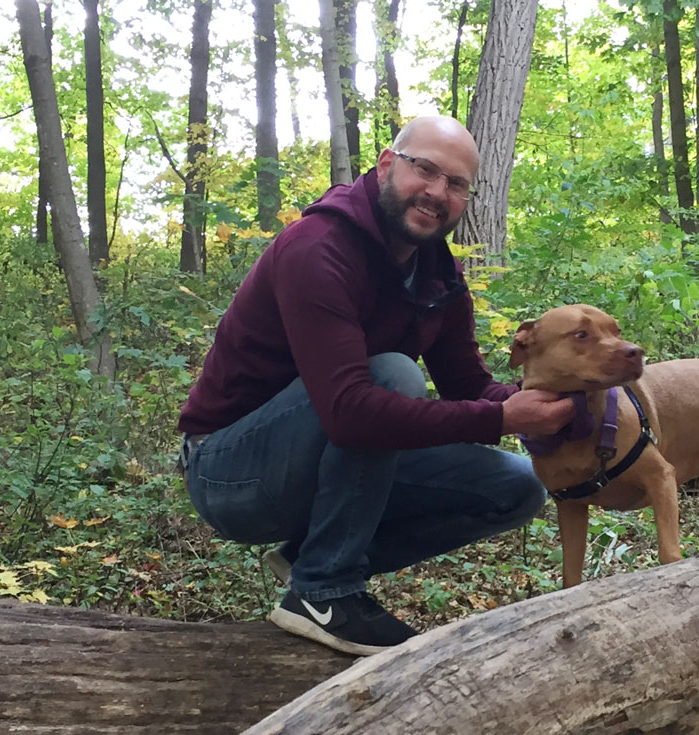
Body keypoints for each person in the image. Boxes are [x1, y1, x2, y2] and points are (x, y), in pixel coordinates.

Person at [177, 116, 573, 656]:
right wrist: (503, 419)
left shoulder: (439, 276)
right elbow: (349, 413)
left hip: (316, 465)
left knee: (520, 486)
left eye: (456, 184)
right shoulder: (318, 248)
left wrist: (554, 398)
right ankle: (324, 591)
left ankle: (309, 561)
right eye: (426, 170)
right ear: (388, 164)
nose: (437, 193)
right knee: (392, 373)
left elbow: (470, 386)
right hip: (229, 475)